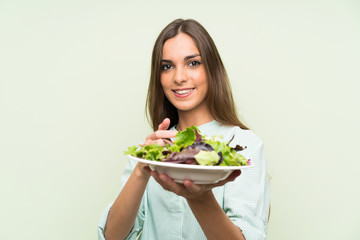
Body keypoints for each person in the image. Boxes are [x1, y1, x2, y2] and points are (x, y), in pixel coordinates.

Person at [98, 18, 270, 240]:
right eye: (167, 66)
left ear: (212, 69)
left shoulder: (246, 145)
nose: (179, 77)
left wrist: (200, 198)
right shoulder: (154, 148)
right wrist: (142, 167)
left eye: (193, 63)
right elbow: (112, 236)